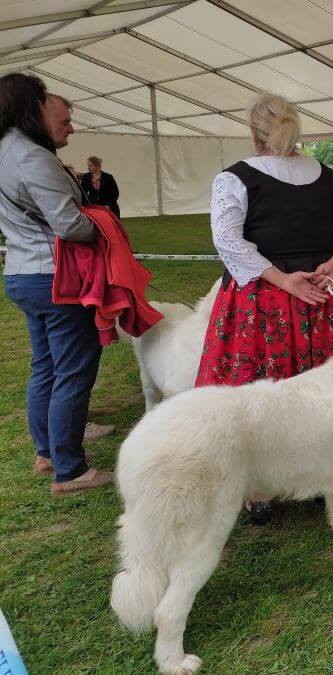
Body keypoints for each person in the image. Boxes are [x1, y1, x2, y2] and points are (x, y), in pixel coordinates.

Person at [196, 93, 333, 524]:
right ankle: (314, 475)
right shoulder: (332, 176)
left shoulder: (234, 177)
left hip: (265, 301)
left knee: (259, 391)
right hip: (313, 295)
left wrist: (283, 278)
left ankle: (258, 490)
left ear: (254, 135)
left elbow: (227, 239)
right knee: (314, 391)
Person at [0, 74, 114, 495]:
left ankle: (47, 450)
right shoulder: (33, 157)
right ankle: (70, 469)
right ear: (32, 109)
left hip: (24, 272)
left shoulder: (6, 151)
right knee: (72, 369)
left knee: (46, 365)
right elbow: (69, 223)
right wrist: (102, 226)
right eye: (56, 113)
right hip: (55, 277)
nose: (68, 125)